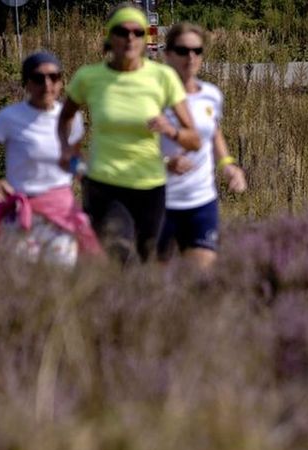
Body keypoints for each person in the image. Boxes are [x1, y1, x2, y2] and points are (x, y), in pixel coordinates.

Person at [57, 5, 200, 264]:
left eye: (137, 32)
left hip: (150, 185)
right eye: (122, 31)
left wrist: (170, 131)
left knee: (150, 261)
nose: (130, 38)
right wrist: (67, 149)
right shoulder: (89, 77)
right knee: (119, 253)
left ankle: (136, 304)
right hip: (104, 185)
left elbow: (194, 138)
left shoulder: (162, 77)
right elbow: (65, 116)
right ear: (109, 36)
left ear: (146, 38)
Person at [0, 51, 100, 266]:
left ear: (61, 82)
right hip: (22, 213)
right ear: (27, 83)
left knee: (59, 282)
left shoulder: (73, 119)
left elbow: (73, 159)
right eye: (38, 78)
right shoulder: (8, 118)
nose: (47, 84)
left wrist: (84, 176)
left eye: (54, 77)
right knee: (20, 284)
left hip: (61, 214)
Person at [157, 22, 246, 271]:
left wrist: (228, 166)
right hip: (159, 203)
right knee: (156, 288)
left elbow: (214, 134)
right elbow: (137, 146)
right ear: (168, 54)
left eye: (197, 51)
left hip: (201, 202)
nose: (191, 57)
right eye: (182, 50)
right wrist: (166, 161)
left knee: (202, 281)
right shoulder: (154, 98)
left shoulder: (211, 95)